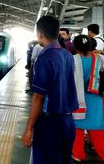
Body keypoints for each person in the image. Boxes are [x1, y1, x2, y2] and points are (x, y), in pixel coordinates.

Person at [21, 16, 78, 164]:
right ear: (57, 32)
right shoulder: (67, 55)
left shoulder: (45, 57)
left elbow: (38, 97)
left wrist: (29, 129)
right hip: (68, 122)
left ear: (39, 34)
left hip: (50, 123)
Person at [72, 35, 104, 162]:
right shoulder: (100, 59)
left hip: (77, 101)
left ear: (75, 47)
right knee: (98, 132)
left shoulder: (72, 60)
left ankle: (78, 155)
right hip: (96, 101)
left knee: (77, 130)